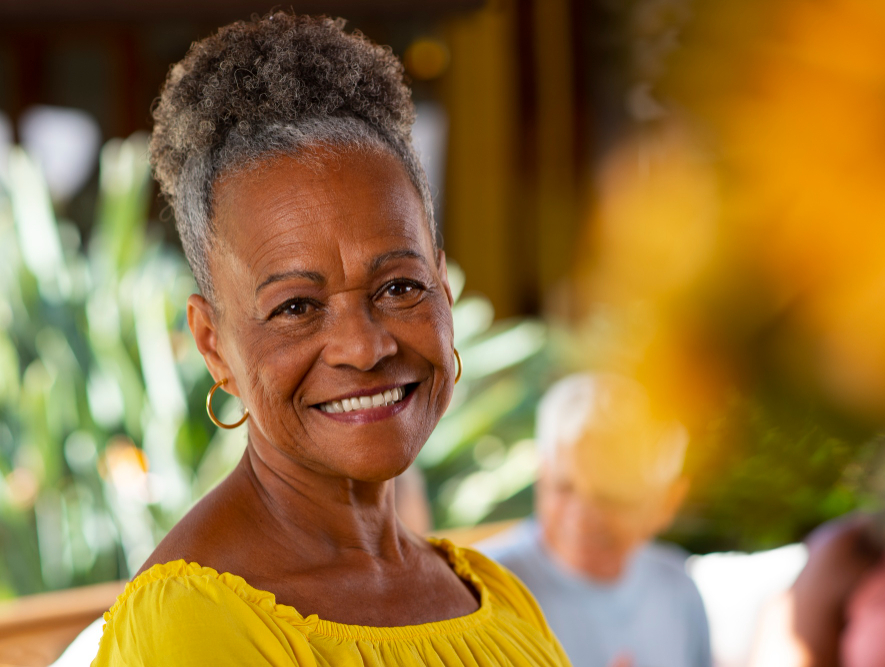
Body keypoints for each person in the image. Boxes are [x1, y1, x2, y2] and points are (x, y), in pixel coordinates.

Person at [93, 13, 569, 667]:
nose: (364, 346)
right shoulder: (193, 623)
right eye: (295, 306)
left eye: (399, 287)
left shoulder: (495, 597)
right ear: (214, 345)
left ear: (444, 290)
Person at [478, 373, 712, 667]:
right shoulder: (481, 591)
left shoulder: (677, 589)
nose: (582, 516)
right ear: (542, 475)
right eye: (564, 487)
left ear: (667, 503)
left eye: (611, 497)